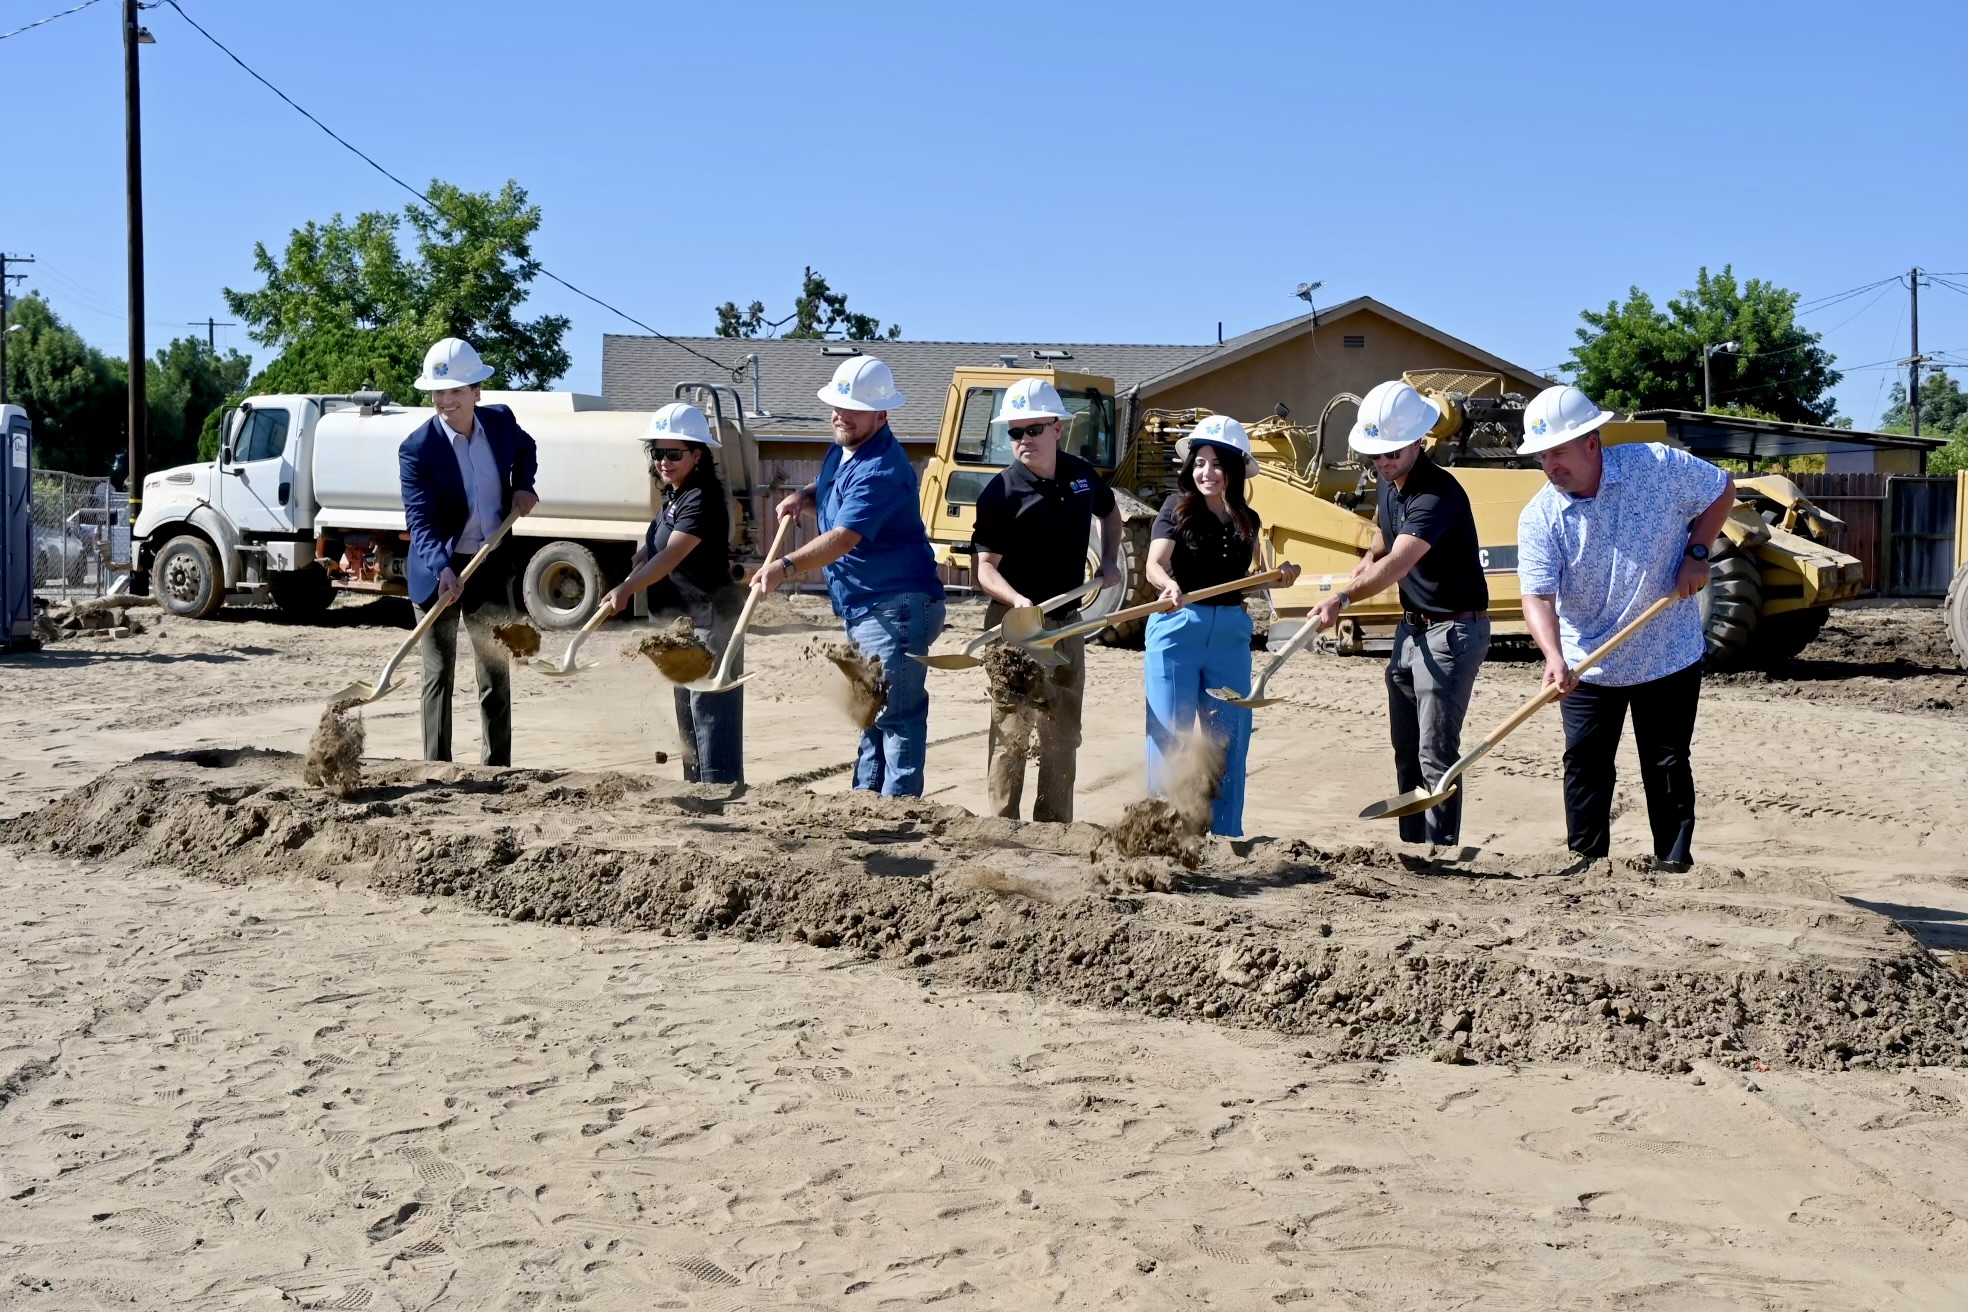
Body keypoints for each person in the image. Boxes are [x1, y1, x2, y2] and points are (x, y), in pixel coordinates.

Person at [1515, 384, 1736, 868]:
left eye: (1558, 452)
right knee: (1586, 765)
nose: (1550, 466)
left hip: (1667, 651)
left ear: (1591, 442)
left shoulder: (1656, 468)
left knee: (1667, 763)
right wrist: (1553, 657)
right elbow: (1537, 596)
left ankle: (1674, 863)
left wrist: (1697, 552)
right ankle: (1586, 866)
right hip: (1587, 665)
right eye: (1541, 457)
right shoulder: (1540, 517)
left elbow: (1722, 488)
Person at [1309, 380, 1490, 847]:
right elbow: (1384, 538)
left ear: (1417, 442)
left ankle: (1441, 848)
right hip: (1411, 631)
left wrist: (1343, 597)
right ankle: (1413, 847)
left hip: (1452, 631)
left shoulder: (1438, 494)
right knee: (1406, 749)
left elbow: (1400, 562)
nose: (1382, 462)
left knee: (1436, 751)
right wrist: (1368, 557)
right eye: (1375, 454)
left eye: (1391, 453)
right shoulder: (1392, 482)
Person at [754, 356, 946, 796]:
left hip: (896, 606)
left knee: (895, 714)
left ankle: (898, 812)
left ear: (881, 414)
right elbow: (828, 486)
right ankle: (864, 801)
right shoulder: (845, 446)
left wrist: (783, 567)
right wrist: (802, 496)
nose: (840, 415)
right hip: (865, 603)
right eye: (837, 406)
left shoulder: (883, 469)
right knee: (869, 709)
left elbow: (842, 538)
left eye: (853, 408)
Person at [969, 377, 1123, 822]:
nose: (1022, 440)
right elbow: (984, 568)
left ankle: (1055, 830)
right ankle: (1003, 827)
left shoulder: (1080, 476)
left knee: (1062, 733)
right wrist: (1018, 600)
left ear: (1057, 428)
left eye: (1032, 429)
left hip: (1067, 624)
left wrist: (1110, 560)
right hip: (1013, 627)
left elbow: (1111, 515)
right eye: (1014, 432)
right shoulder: (1001, 493)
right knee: (1011, 732)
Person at [1142, 415, 1298, 837]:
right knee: (1168, 737)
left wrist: (1282, 573)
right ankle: (1162, 835)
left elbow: (1262, 577)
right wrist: (1167, 582)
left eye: (1215, 464)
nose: (1205, 473)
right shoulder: (1176, 509)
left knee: (1229, 739)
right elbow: (1154, 564)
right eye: (1198, 463)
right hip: (1177, 628)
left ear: (1233, 468)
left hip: (1229, 633)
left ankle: (1227, 836)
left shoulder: (1249, 519)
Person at [399, 336, 538, 766]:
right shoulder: (417, 450)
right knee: (438, 672)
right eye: (439, 392)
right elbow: (419, 520)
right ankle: (435, 768)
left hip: (489, 561)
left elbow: (526, 450)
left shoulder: (499, 423)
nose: (446, 400)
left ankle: (497, 769)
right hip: (437, 569)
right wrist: (442, 568)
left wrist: (522, 485)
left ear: (476, 392)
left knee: (494, 669)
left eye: (456, 390)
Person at [601, 403, 746, 784]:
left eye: (674, 453)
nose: (664, 461)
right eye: (658, 453)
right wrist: (640, 555)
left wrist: (626, 588)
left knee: (711, 717)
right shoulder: (675, 494)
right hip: (682, 623)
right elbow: (660, 546)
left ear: (698, 454)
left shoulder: (702, 497)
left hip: (710, 622)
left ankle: (721, 797)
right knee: (689, 717)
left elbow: (671, 556)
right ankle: (697, 794)